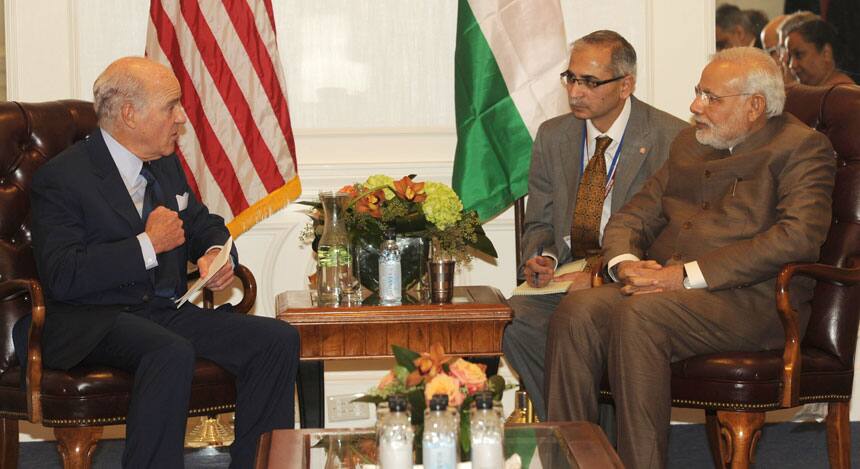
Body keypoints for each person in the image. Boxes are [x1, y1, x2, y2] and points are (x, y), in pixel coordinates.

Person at [545, 47, 835, 469]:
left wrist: (686, 275)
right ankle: (568, 462)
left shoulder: (802, 148)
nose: (695, 106)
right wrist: (624, 263)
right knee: (579, 310)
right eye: (698, 92)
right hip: (667, 292)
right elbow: (633, 215)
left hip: (752, 302)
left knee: (641, 315)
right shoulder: (690, 143)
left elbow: (797, 238)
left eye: (711, 98)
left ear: (755, 106)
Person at [14, 57, 300, 469]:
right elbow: (63, 275)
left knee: (276, 340)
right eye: (172, 106)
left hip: (161, 311)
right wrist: (148, 244)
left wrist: (216, 255)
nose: (182, 118)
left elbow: (204, 224)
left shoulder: (164, 163)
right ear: (130, 114)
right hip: (90, 319)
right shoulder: (62, 177)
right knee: (169, 351)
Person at [501, 30, 686, 422]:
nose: (575, 93)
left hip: (630, 275)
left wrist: (602, 275)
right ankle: (579, 435)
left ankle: (586, 442)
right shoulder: (553, 136)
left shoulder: (671, 137)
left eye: (590, 82)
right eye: (571, 78)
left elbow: (671, 233)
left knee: (583, 315)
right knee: (517, 319)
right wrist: (542, 256)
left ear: (626, 85)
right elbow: (539, 219)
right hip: (568, 272)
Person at [786, 19, 856, 86]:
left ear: (826, 53)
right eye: (789, 57)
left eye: (799, 55)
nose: (792, 65)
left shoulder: (844, 94)